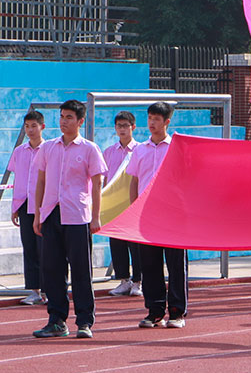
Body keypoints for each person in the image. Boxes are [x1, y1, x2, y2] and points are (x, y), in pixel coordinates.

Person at [32, 99, 107, 339]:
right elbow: (41, 181)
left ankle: (84, 321)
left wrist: (95, 217)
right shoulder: (48, 147)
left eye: (69, 117)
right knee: (52, 269)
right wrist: (38, 214)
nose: (64, 121)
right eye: (62, 116)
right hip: (51, 213)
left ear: (80, 121)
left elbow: (97, 184)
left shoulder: (89, 149)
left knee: (81, 270)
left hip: (77, 215)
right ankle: (56, 320)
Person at [128, 102, 188, 328]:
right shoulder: (140, 150)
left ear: (167, 122)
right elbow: (134, 181)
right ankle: (154, 311)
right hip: (146, 216)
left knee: (175, 264)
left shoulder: (177, 148)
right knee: (149, 265)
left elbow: (186, 180)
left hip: (173, 215)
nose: (152, 123)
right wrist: (134, 210)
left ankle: (176, 312)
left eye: (157, 119)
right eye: (150, 118)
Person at [7, 110, 46, 305]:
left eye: (34, 126)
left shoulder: (49, 149)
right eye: (27, 126)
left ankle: (49, 290)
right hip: (24, 204)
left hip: (44, 206)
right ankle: (34, 290)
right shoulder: (19, 151)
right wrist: (15, 206)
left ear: (42, 127)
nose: (30, 130)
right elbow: (18, 179)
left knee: (46, 249)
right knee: (29, 247)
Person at [105, 111, 143, 298]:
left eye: (125, 125)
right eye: (119, 125)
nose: (122, 129)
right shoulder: (109, 152)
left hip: (133, 203)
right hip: (114, 207)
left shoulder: (140, 150)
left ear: (133, 127)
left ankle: (138, 281)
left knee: (136, 245)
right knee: (117, 243)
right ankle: (123, 280)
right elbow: (105, 180)